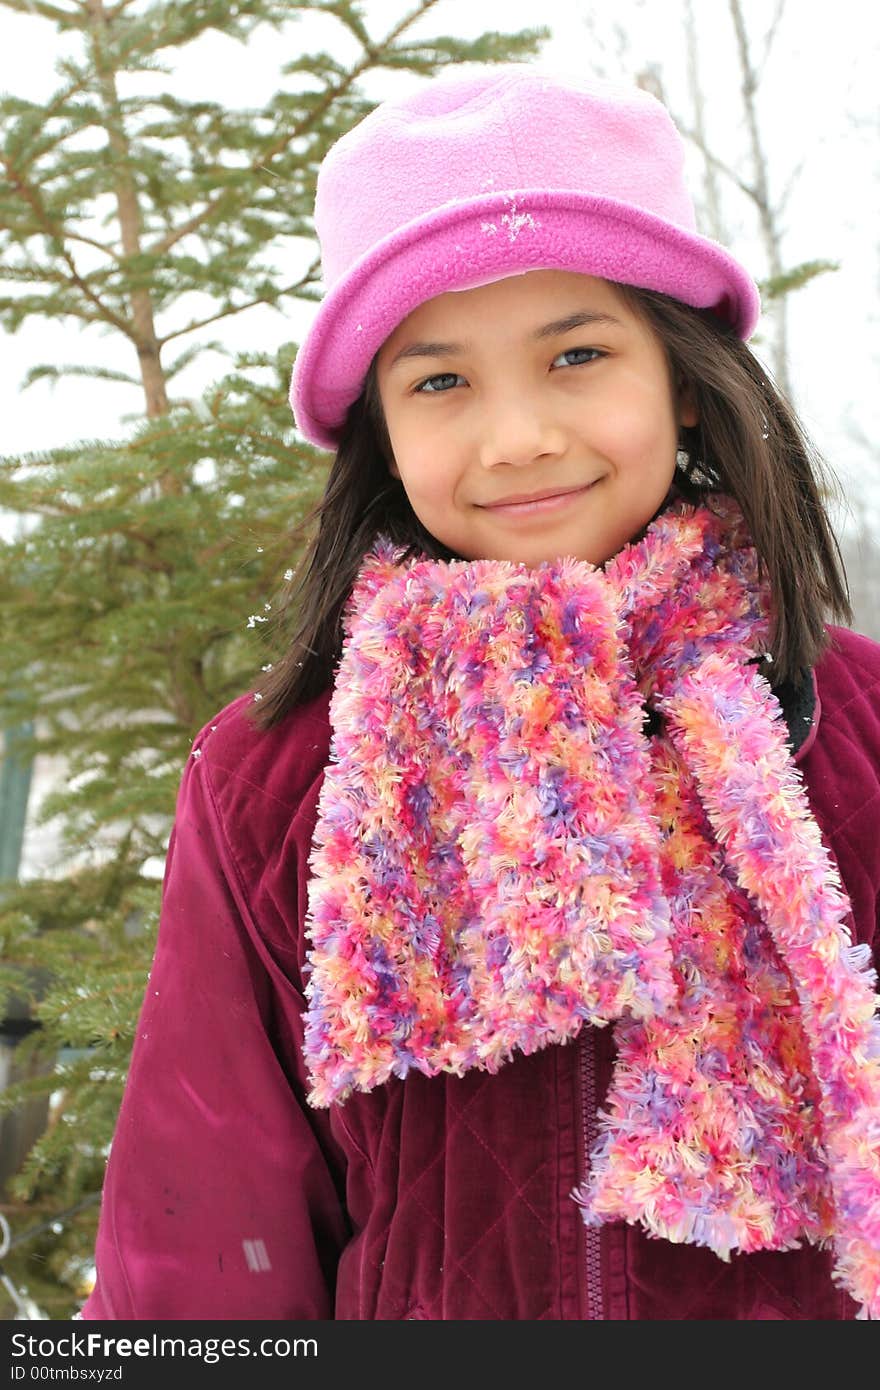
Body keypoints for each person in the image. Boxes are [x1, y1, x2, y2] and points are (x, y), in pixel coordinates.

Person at [80, 64, 880, 1322]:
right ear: (380, 431)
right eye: (440, 380)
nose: (516, 437)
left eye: (575, 353)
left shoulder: (857, 728)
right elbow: (207, 1227)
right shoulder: (274, 774)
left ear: (680, 375)